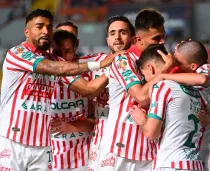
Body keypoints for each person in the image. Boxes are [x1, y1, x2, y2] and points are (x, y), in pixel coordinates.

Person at [0, 8, 115, 170]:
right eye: (39, 26)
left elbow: (86, 89)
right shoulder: (17, 53)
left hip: (42, 146)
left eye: (49, 27)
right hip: (12, 140)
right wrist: (99, 65)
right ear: (27, 32)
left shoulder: (57, 61)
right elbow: (51, 68)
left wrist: (111, 68)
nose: (45, 31)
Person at [97, 9, 171, 171]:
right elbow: (141, 96)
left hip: (150, 151)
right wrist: (168, 68)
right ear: (138, 39)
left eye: (163, 36)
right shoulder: (124, 60)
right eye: (156, 38)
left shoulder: (161, 60)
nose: (162, 42)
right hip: (119, 149)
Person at [157, 40, 210, 171]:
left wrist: (164, 75)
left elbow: (202, 79)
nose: (177, 65)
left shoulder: (207, 69)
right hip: (207, 142)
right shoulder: (202, 70)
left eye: (179, 62)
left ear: (193, 66)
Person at [130, 44, 204, 171]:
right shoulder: (194, 90)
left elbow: (151, 133)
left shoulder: (162, 87)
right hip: (195, 164)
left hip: (171, 164)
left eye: (144, 76)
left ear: (151, 69)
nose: (146, 81)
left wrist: (142, 120)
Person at [85, 15, 135, 171]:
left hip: (134, 143)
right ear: (107, 40)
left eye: (123, 32)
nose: (117, 38)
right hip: (101, 144)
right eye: (113, 33)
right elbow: (65, 62)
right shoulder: (95, 63)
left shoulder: (143, 64)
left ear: (133, 38)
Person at [50, 30, 95, 171]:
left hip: (85, 160)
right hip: (51, 161)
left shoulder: (88, 77)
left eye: (68, 51)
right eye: (57, 53)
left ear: (75, 51)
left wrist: (72, 126)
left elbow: (99, 121)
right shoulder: (40, 80)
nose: (62, 58)